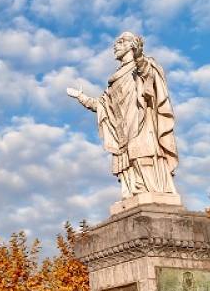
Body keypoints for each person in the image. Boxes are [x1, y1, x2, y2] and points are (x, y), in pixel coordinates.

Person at [67, 31, 179, 199]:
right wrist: (80, 97)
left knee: (143, 154)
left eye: (119, 43)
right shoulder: (115, 81)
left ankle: (152, 191)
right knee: (128, 161)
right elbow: (101, 105)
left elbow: (146, 73)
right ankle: (134, 192)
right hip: (122, 128)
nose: (114, 47)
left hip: (141, 120)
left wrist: (139, 55)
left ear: (130, 45)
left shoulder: (143, 65)